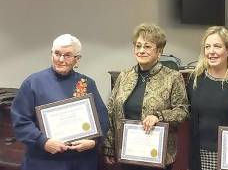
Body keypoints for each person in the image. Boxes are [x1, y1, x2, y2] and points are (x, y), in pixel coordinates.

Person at [11, 34, 109, 170]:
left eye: (68, 55)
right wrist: (43, 142)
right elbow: (20, 121)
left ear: (77, 59)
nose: (61, 59)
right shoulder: (33, 83)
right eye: (57, 54)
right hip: (43, 161)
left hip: (81, 161)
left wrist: (93, 142)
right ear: (51, 54)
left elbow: (102, 119)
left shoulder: (87, 84)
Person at [104, 23, 189, 170]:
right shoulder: (124, 76)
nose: (141, 50)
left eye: (147, 46)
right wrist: (109, 147)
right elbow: (111, 111)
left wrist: (159, 116)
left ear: (159, 51)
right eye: (138, 46)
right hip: (127, 153)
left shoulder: (173, 77)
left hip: (157, 155)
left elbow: (183, 111)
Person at [187, 26, 228, 170]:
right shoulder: (195, 78)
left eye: (217, 46)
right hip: (202, 152)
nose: (211, 52)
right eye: (207, 47)